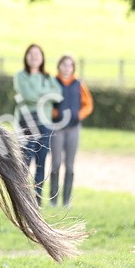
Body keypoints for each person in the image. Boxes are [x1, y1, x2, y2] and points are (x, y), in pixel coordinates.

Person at [14, 44, 58, 205]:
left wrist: (38, 96)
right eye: (31, 54)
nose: (34, 57)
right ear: (26, 57)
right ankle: (21, 198)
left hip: (45, 123)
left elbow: (58, 94)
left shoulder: (48, 77)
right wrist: (45, 96)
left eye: (37, 54)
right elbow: (26, 95)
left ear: (42, 58)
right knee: (25, 160)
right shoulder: (20, 76)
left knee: (41, 162)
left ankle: (36, 201)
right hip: (27, 121)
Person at [48, 55, 92, 207]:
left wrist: (79, 115)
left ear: (73, 68)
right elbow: (46, 102)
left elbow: (88, 105)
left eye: (70, 65)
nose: (66, 68)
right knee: (55, 163)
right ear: (58, 66)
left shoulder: (79, 84)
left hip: (73, 128)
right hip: (57, 128)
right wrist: (53, 113)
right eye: (64, 65)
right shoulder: (52, 82)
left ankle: (66, 201)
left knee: (70, 165)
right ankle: (53, 200)